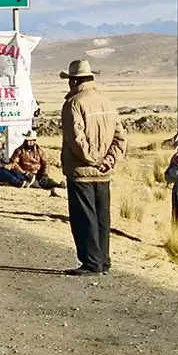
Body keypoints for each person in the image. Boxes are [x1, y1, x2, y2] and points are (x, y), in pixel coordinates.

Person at [59, 59, 127, 276]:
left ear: (74, 81)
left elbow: (76, 140)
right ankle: (103, 260)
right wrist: (110, 159)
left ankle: (91, 262)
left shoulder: (73, 104)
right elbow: (120, 136)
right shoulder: (107, 102)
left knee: (84, 218)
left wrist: (95, 160)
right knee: (102, 217)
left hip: (82, 172)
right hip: (104, 173)